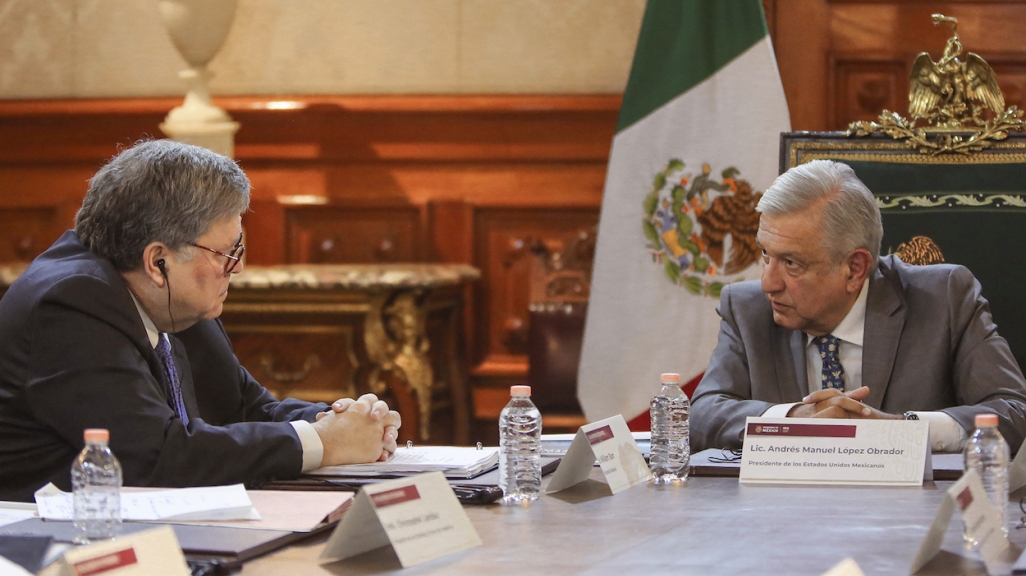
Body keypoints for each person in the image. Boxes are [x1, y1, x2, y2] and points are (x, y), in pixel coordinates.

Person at [0, 140, 402, 502]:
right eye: (227, 252)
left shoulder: (172, 298)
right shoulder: (70, 303)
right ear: (158, 262)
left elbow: (247, 409)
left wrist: (344, 421)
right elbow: (157, 456)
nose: (239, 266)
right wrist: (322, 442)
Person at [690, 160, 1026, 453]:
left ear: (854, 269)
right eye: (766, 254)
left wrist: (899, 429)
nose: (768, 283)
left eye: (791, 263)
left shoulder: (943, 300)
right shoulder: (748, 310)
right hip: (783, 514)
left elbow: (1014, 412)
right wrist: (794, 420)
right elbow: (701, 415)